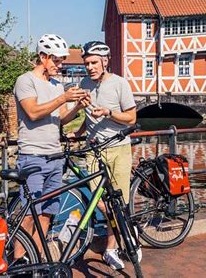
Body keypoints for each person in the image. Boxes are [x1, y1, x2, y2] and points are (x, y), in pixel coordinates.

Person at [13, 34, 90, 261]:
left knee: (47, 213)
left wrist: (76, 105)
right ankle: (18, 263)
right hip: (33, 156)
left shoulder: (57, 85)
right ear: (42, 57)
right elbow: (34, 112)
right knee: (29, 215)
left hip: (55, 157)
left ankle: (35, 262)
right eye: (56, 60)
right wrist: (62, 98)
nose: (60, 65)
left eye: (61, 60)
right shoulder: (25, 81)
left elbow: (61, 118)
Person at [71, 40, 138, 270]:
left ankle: (111, 248)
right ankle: (125, 229)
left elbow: (131, 118)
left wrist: (109, 113)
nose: (89, 67)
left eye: (93, 63)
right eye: (87, 63)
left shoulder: (120, 84)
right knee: (99, 202)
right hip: (93, 150)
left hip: (119, 149)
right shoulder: (84, 83)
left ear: (105, 61)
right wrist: (78, 131)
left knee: (118, 202)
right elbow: (89, 116)